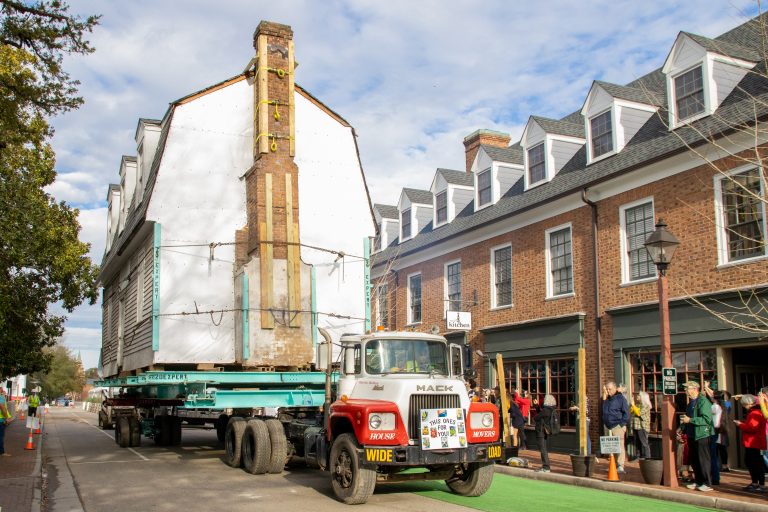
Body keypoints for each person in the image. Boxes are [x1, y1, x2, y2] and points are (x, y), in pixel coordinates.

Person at [680, 381, 714, 492]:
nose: (685, 391)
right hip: (691, 435)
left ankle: (707, 483)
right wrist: (682, 429)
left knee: (703, 460)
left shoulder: (703, 401)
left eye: (687, 388)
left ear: (695, 389)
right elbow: (687, 418)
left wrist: (690, 420)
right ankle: (698, 481)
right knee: (694, 460)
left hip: (702, 434)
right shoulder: (690, 403)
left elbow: (706, 419)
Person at [734, 394, 767, 493]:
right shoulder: (757, 412)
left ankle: (759, 484)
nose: (744, 406)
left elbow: (752, 428)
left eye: (744, 405)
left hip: (754, 442)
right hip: (756, 442)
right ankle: (756, 483)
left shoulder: (754, 413)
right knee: (754, 463)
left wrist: (740, 424)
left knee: (754, 463)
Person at [602, 381, 629, 472]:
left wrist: (621, 425)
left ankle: (620, 465)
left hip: (617, 426)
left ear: (614, 388)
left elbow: (626, 413)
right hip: (608, 426)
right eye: (607, 389)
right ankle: (612, 465)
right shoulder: (607, 399)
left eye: (610, 389)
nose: (608, 391)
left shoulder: (620, 399)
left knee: (619, 446)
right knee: (610, 447)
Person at [533, 394, 557, 473]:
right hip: (545, 431)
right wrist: (536, 406)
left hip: (541, 431)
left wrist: (536, 415)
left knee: (542, 449)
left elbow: (536, 417)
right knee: (543, 448)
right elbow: (541, 414)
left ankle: (546, 467)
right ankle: (546, 466)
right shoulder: (550, 409)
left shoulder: (546, 410)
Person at [630, 391, 651, 460]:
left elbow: (639, 413)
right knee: (637, 442)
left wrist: (633, 405)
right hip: (636, 426)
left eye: (639, 395)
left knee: (644, 442)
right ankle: (639, 456)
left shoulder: (646, 406)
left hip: (642, 427)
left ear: (643, 397)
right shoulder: (638, 405)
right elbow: (631, 411)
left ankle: (647, 457)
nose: (637, 396)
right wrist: (632, 405)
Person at [0, 388, 12, 457]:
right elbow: (2, 407)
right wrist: (6, 418)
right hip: (1, 420)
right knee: (1, 436)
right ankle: (2, 452)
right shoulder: (1, 397)